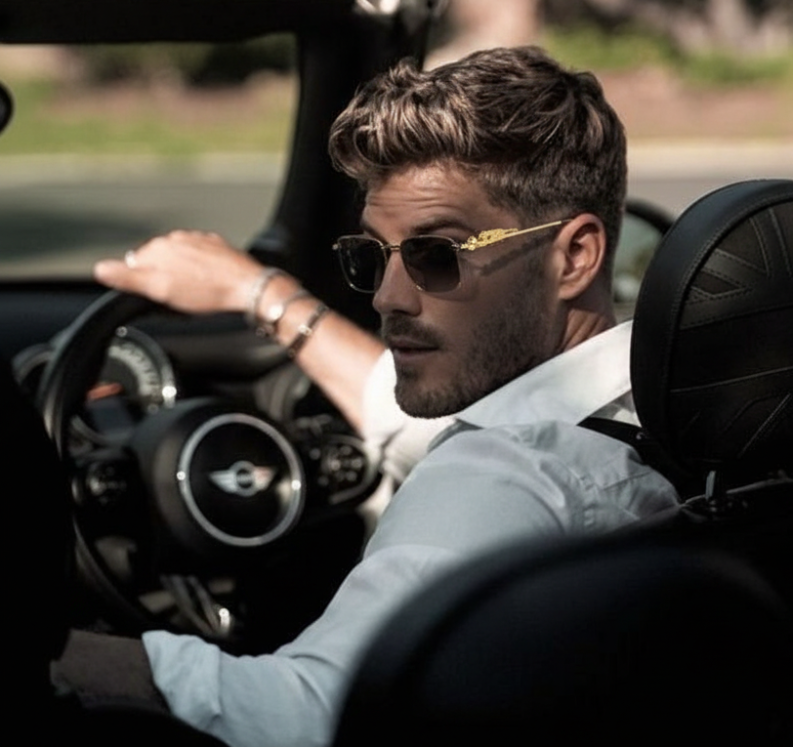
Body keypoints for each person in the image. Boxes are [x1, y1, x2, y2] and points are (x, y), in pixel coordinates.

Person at [53, 45, 679, 747]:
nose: (387, 297)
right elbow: (399, 411)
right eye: (370, 256)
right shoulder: (671, 402)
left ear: (575, 257)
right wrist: (257, 292)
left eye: (436, 255)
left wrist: (49, 658)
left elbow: (308, 718)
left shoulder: (502, 477)